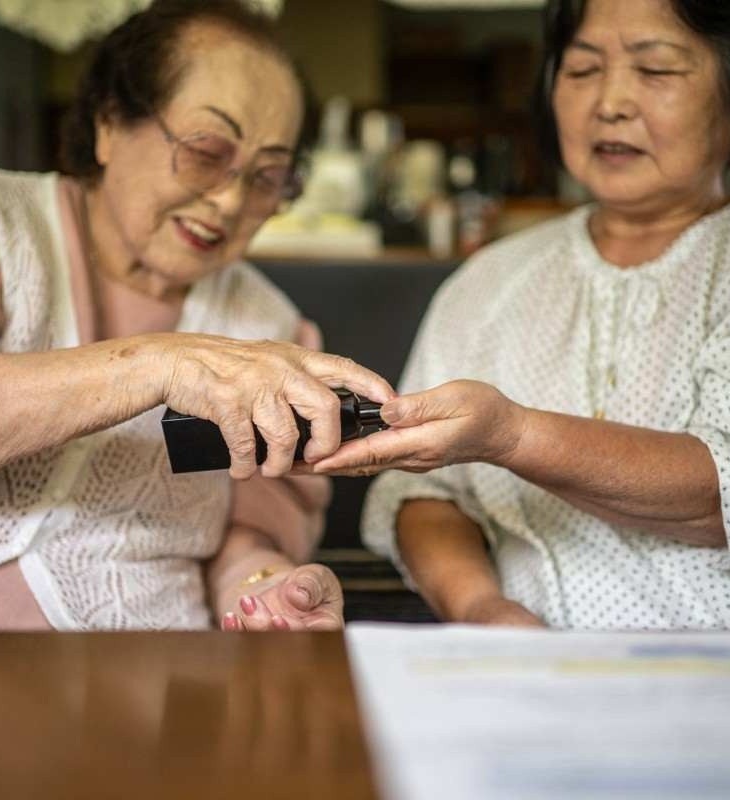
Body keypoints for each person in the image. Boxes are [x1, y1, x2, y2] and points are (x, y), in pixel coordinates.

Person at [0, 0, 393, 633]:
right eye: (206, 151)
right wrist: (157, 364)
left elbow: (246, 537)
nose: (230, 200)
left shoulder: (269, 323)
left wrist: (268, 588)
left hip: (161, 674)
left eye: (267, 177)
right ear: (109, 124)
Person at [312, 0, 730, 630]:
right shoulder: (491, 280)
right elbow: (421, 492)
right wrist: (482, 608)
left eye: (657, 71)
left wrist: (512, 435)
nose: (610, 102)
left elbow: (719, 492)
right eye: (582, 70)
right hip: (519, 678)